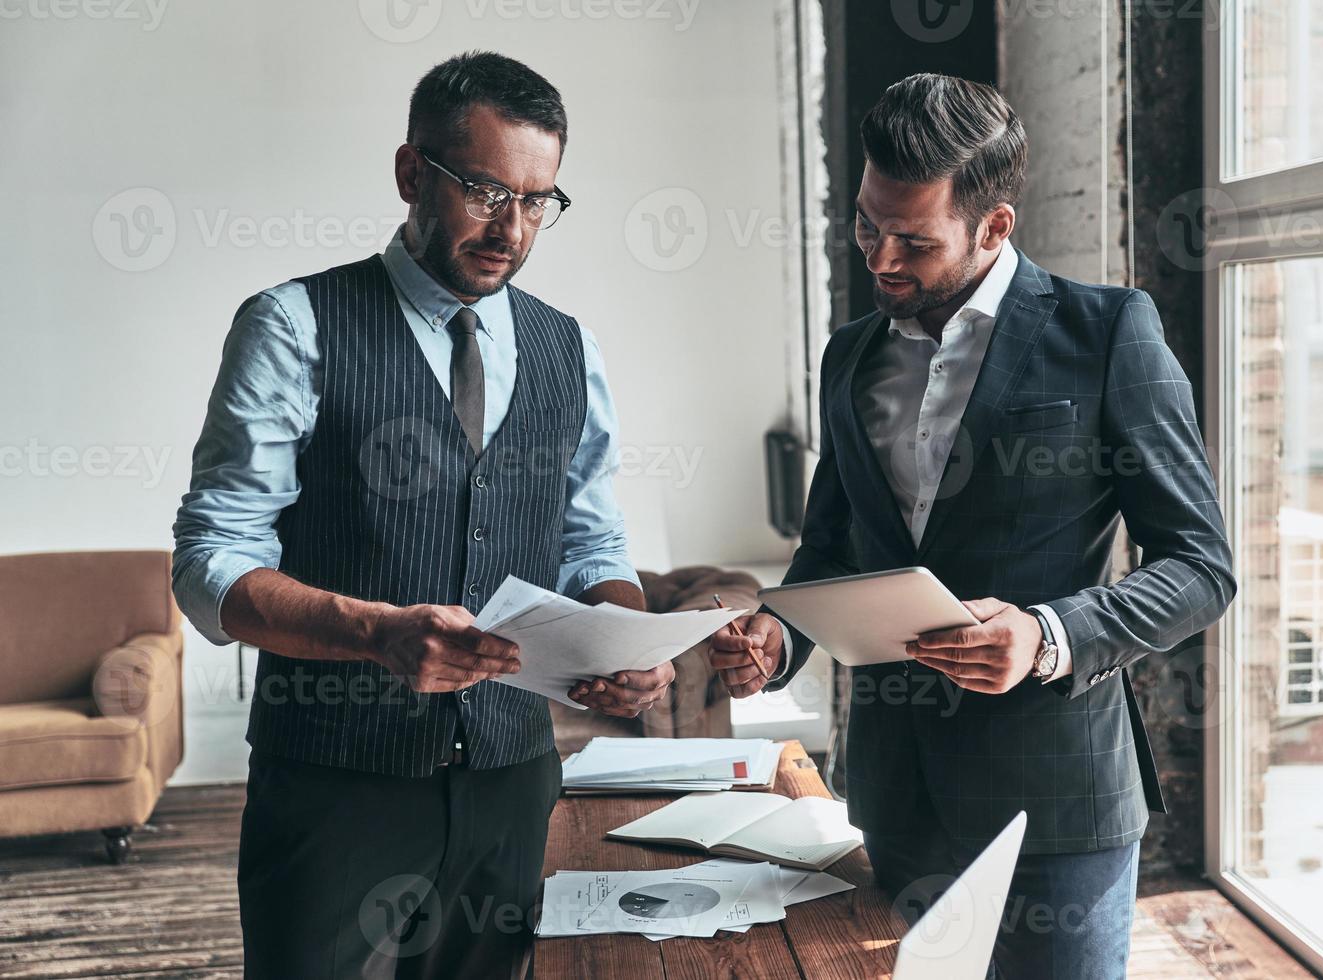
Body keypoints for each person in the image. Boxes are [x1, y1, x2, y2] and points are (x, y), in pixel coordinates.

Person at [709, 73, 1236, 979]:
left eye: (914, 240)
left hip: (1057, 800)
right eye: (870, 227)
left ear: (995, 226)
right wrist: (779, 635)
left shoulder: (1110, 333)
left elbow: (1201, 564)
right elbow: (831, 546)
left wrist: (1048, 633)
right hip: (897, 790)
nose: (880, 259)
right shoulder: (850, 356)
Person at [172, 50, 666, 979]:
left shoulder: (571, 348)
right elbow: (210, 563)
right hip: (333, 776)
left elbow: (591, 537)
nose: (510, 228)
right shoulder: (293, 325)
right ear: (411, 172)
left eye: (538, 200)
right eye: (483, 190)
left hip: (513, 776)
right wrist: (376, 633)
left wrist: (625, 639)